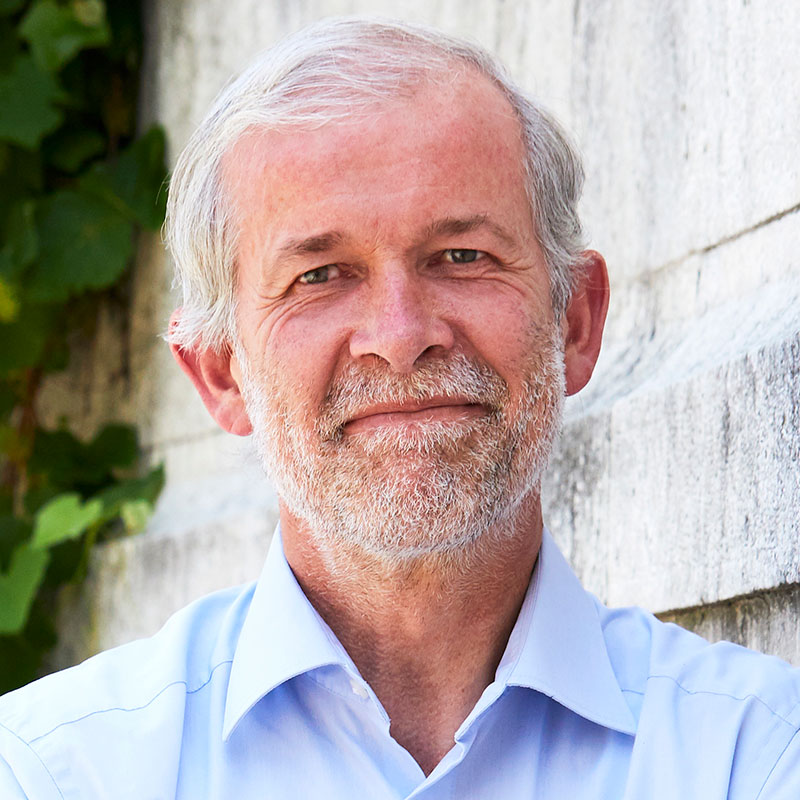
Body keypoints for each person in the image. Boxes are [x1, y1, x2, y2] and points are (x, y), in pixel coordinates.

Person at [1, 17, 798, 799]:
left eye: (463, 256)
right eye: (319, 276)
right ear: (220, 374)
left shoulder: (755, 754)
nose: (402, 337)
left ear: (576, 323)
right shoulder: (56, 774)